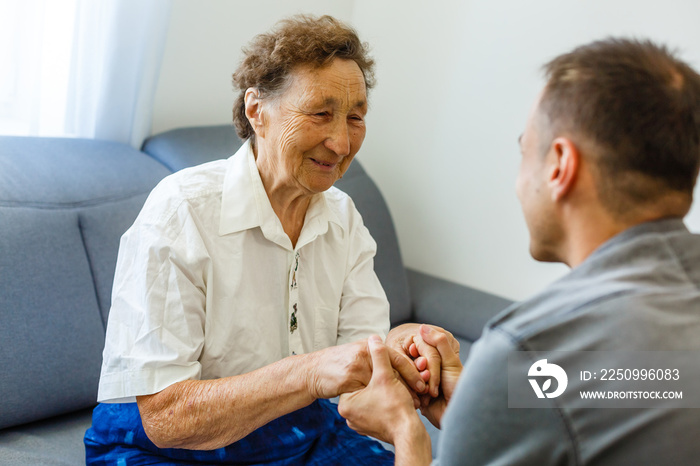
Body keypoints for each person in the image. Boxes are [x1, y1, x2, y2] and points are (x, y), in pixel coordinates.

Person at [84, 15, 452, 465]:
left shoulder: (342, 216)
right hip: (167, 448)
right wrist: (314, 372)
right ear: (257, 110)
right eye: (320, 113)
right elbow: (166, 419)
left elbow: (360, 370)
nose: (340, 142)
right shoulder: (182, 209)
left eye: (355, 117)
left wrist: (406, 351)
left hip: (304, 431)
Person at [338, 38, 700, 465]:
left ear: (560, 166)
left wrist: (403, 430)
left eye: (524, 150)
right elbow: (643, 388)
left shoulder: (526, 350)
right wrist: (473, 412)